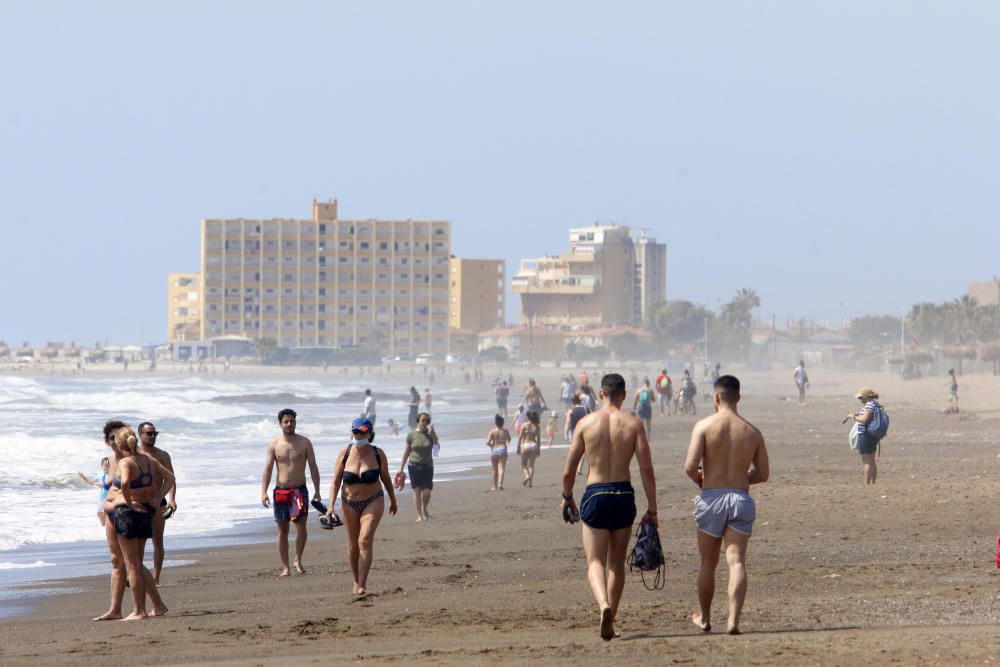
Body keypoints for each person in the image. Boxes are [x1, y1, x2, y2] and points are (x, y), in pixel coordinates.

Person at [561, 373, 658, 641]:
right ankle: (611, 618)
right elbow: (646, 469)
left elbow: (569, 469)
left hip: (596, 494)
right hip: (623, 494)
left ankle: (603, 604)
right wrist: (653, 509)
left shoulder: (585, 423)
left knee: (594, 562)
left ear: (601, 394)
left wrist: (567, 496)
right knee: (616, 563)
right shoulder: (634, 424)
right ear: (624, 395)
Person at [684, 374, 769, 635]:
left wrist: (702, 479)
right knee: (737, 562)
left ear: (717, 397)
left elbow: (689, 465)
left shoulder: (704, 426)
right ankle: (733, 620)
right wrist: (742, 479)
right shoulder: (752, 432)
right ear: (738, 398)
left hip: (712, 497)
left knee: (708, 563)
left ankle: (706, 618)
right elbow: (763, 473)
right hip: (740, 498)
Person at [106, 426, 174, 621]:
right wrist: (158, 497)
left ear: (120, 444)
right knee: (136, 562)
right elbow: (170, 477)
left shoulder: (127, 462)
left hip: (129, 514)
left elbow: (125, 482)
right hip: (146, 511)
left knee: (132, 564)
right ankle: (154, 606)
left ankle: (138, 611)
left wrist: (126, 501)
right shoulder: (148, 460)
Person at [326, 417, 397, 596]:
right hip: (348, 502)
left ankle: (363, 584)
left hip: (373, 500)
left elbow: (386, 478)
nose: (358, 435)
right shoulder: (345, 453)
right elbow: (335, 482)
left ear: (370, 434)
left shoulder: (378, 454)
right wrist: (330, 507)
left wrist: (393, 500)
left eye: (362, 432)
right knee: (353, 545)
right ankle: (355, 581)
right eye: (355, 432)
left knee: (364, 540)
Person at [260, 409, 322, 576]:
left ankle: (298, 560)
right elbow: (267, 469)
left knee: (301, 527)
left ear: (295, 422)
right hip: (281, 491)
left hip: (299, 492)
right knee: (282, 530)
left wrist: (317, 491)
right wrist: (263, 492)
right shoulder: (274, 444)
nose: (289, 424)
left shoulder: (304, 442)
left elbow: (313, 468)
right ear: (280, 424)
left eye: (291, 421)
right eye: (286, 421)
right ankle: (285, 566)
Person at [137, 421, 176, 584]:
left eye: (155, 433)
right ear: (140, 435)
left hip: (158, 502)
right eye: (149, 433)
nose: (153, 436)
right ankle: (136, 574)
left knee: (157, 540)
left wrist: (172, 499)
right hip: (138, 503)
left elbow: (171, 479)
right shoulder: (133, 454)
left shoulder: (162, 455)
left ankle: (156, 577)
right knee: (138, 542)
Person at [399, 412, 436, 521]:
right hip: (414, 465)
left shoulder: (430, 434)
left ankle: (424, 508)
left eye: (427, 421)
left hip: (428, 466)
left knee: (427, 491)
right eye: (422, 420)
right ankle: (419, 515)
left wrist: (433, 433)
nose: (424, 422)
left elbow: (437, 446)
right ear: (418, 421)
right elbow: (406, 452)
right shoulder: (411, 435)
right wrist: (401, 467)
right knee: (417, 490)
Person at [847, 387, 881, 484]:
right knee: (872, 460)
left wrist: (853, 417)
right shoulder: (875, 404)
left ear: (866, 396)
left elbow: (864, 420)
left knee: (867, 462)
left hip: (866, 435)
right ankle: (873, 483)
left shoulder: (869, 405)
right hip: (872, 435)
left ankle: (867, 484)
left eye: (861, 398)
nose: (861, 400)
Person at [78, 457, 112, 527]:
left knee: (107, 514)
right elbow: (90, 482)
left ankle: (109, 529)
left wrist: (97, 484)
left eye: (108, 465)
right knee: (99, 513)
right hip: (102, 498)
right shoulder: (99, 476)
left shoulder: (111, 475)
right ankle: (105, 528)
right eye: (105, 465)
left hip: (109, 498)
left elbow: (104, 485)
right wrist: (83, 477)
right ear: (102, 466)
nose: (107, 467)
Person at [486, 414, 511, 491]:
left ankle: (494, 487)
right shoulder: (505, 431)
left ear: (496, 423)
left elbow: (487, 442)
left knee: (494, 470)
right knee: (501, 468)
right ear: (502, 423)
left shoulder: (492, 431)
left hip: (494, 450)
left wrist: (492, 446)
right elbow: (509, 439)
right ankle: (500, 484)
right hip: (502, 449)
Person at [517, 410, 541, 487]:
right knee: (531, 465)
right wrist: (538, 450)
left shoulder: (524, 425)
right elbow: (539, 439)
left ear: (528, 417)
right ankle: (530, 483)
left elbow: (520, 437)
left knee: (523, 464)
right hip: (534, 445)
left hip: (525, 445)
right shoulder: (537, 426)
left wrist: (518, 447)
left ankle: (527, 476)